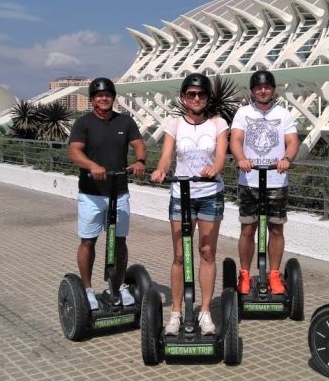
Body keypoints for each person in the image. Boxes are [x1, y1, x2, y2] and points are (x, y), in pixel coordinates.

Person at [151, 73, 229, 335]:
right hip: (181, 195)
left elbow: (221, 158)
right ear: (183, 98)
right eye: (191, 94)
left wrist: (213, 168)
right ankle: (176, 312)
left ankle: (205, 312)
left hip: (209, 194)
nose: (196, 98)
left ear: (207, 98)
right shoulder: (174, 124)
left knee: (207, 252)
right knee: (179, 255)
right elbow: (166, 157)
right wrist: (160, 170)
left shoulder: (218, 124)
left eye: (201, 94)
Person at [68, 77, 147, 310]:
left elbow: (139, 144)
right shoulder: (83, 123)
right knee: (88, 241)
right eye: (99, 95)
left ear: (113, 98)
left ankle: (118, 285)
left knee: (120, 241)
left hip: (119, 191)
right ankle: (88, 289)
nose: (104, 98)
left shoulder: (125, 121)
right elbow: (74, 152)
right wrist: (91, 165)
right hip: (91, 193)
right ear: (92, 99)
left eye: (108, 95)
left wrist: (140, 161)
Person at [230, 70, 299, 295]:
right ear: (252, 91)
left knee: (276, 229)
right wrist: (241, 158)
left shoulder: (283, 114)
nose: (263, 91)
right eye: (259, 88)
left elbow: (292, 141)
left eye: (267, 87)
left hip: (276, 180)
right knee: (248, 229)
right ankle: (244, 274)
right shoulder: (243, 113)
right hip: (249, 180)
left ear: (273, 89)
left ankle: (274, 274)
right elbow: (236, 139)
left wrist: (287, 159)